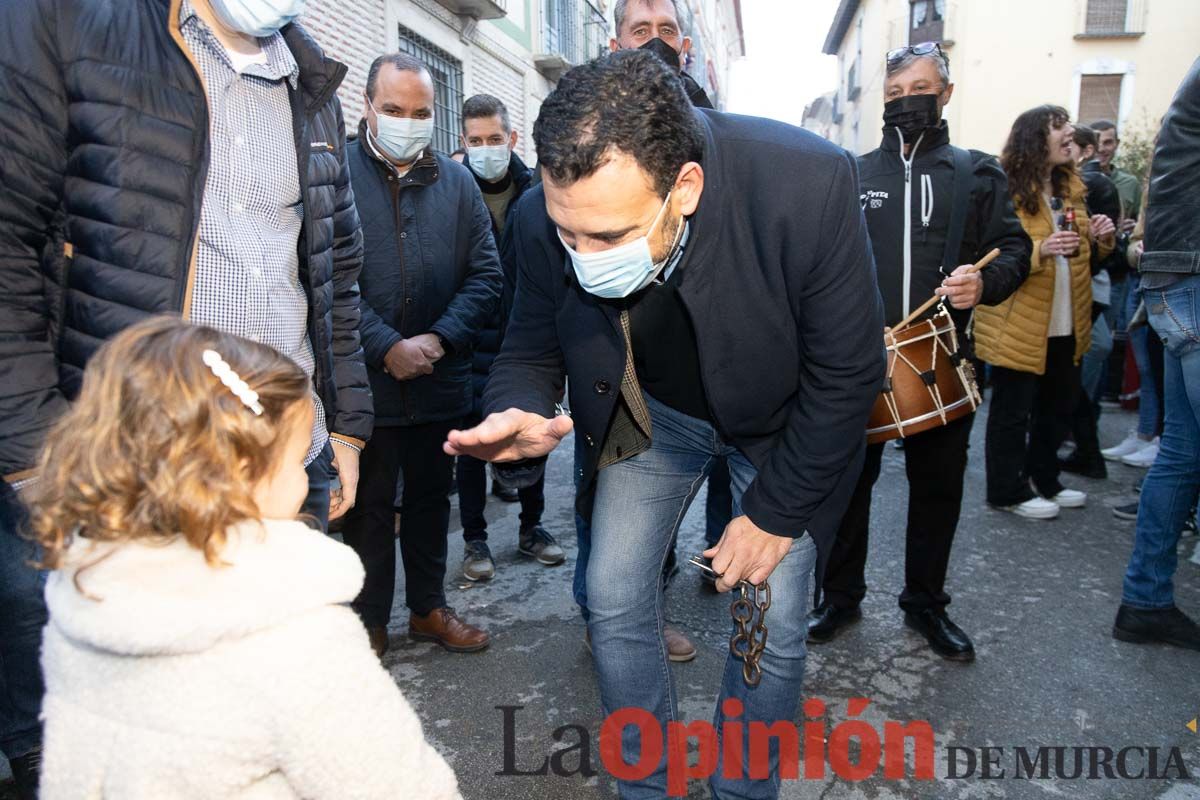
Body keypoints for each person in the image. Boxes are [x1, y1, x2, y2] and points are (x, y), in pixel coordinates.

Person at [447, 51, 884, 798]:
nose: (583, 260)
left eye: (610, 238)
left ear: (684, 188)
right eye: (568, 235)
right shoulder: (541, 210)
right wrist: (516, 406)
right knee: (613, 596)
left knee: (769, 626)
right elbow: (529, 338)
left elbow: (848, 374)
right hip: (651, 415)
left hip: (783, 428)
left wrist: (774, 517)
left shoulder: (804, 182)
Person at [0, 0, 373, 790]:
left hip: (284, 475)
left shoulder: (313, 86)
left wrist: (347, 428)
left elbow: (335, 271)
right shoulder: (66, 27)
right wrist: (41, 458)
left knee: (285, 728)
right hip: (133, 488)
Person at [27, 318, 460, 800]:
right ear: (239, 477)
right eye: (296, 460)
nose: (305, 480)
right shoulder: (294, 636)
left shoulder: (82, 591)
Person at [808, 43, 1030, 660]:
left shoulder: (976, 171)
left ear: (947, 93)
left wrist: (984, 284)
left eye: (921, 90)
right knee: (848, 487)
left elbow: (1015, 251)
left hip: (943, 358)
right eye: (896, 94)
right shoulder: (850, 174)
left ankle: (925, 605)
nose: (908, 103)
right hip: (859, 362)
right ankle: (839, 596)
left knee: (939, 491)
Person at [341, 54, 501, 658]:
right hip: (366, 383)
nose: (408, 122)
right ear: (367, 107)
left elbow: (487, 276)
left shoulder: (458, 184)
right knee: (370, 507)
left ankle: (428, 609)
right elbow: (324, 278)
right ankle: (369, 622)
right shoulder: (334, 173)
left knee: (435, 501)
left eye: (421, 113)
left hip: (440, 378)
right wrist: (386, 346)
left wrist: (437, 340)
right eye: (394, 110)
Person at [974, 105, 1115, 520]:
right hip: (1018, 320)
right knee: (1012, 413)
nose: (1070, 132)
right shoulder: (1005, 187)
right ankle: (1006, 490)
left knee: (1058, 407)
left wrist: (1102, 240)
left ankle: (1045, 479)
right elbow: (992, 253)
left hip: (1067, 319)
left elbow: (1087, 258)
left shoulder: (1071, 189)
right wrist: (1040, 250)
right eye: (1060, 126)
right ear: (1036, 138)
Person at [455, 93, 564, 582]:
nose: (485, 148)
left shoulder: (534, 188)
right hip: (466, 339)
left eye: (494, 139)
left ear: (512, 138)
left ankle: (532, 528)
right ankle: (475, 541)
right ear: (463, 141)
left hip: (523, 333)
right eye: (475, 140)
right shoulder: (451, 188)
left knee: (529, 432)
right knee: (476, 445)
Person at [1112, 57, 1200, 652]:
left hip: (1178, 277)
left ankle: (1146, 601)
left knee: (1182, 454)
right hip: (1191, 276)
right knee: (1180, 454)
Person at [1059, 124, 1123, 479]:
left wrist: (1099, 243)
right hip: (1078, 289)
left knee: (1069, 371)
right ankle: (1084, 448)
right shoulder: (1074, 183)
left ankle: (1085, 448)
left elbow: (1098, 255)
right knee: (1067, 372)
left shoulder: (1094, 185)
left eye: (1071, 143)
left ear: (1082, 149)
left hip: (1086, 290)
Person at [610, 0, 714, 109]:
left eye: (667, 31)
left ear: (684, 48)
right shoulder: (593, 122)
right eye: (640, 32)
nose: (656, 42)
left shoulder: (718, 125)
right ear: (616, 49)